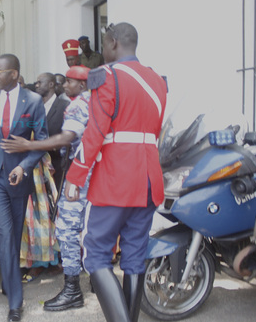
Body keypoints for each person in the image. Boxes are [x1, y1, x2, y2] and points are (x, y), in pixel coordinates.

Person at [65, 22, 168, 322]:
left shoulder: (107, 76)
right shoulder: (157, 79)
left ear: (112, 43)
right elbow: (155, 129)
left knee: (95, 254)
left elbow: (95, 131)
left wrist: (75, 175)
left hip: (116, 177)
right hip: (148, 177)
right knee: (134, 258)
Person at [2, 65, 91, 312]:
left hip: (79, 173)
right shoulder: (100, 102)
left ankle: (73, 289)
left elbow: (66, 139)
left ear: (81, 85)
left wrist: (29, 146)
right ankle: (96, 280)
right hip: (95, 173)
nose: (64, 85)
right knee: (93, 227)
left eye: (69, 82)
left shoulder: (77, 105)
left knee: (66, 229)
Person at [0, 53, 48, 322]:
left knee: (14, 233)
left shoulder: (33, 101)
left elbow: (42, 141)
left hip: (18, 176)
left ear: (14, 74)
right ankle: (16, 302)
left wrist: (24, 165)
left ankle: (8, 280)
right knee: (3, 232)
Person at [35, 72, 70, 188]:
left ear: (51, 84)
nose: (36, 85)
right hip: (37, 165)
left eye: (40, 82)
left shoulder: (64, 106)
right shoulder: (34, 106)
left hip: (58, 164)